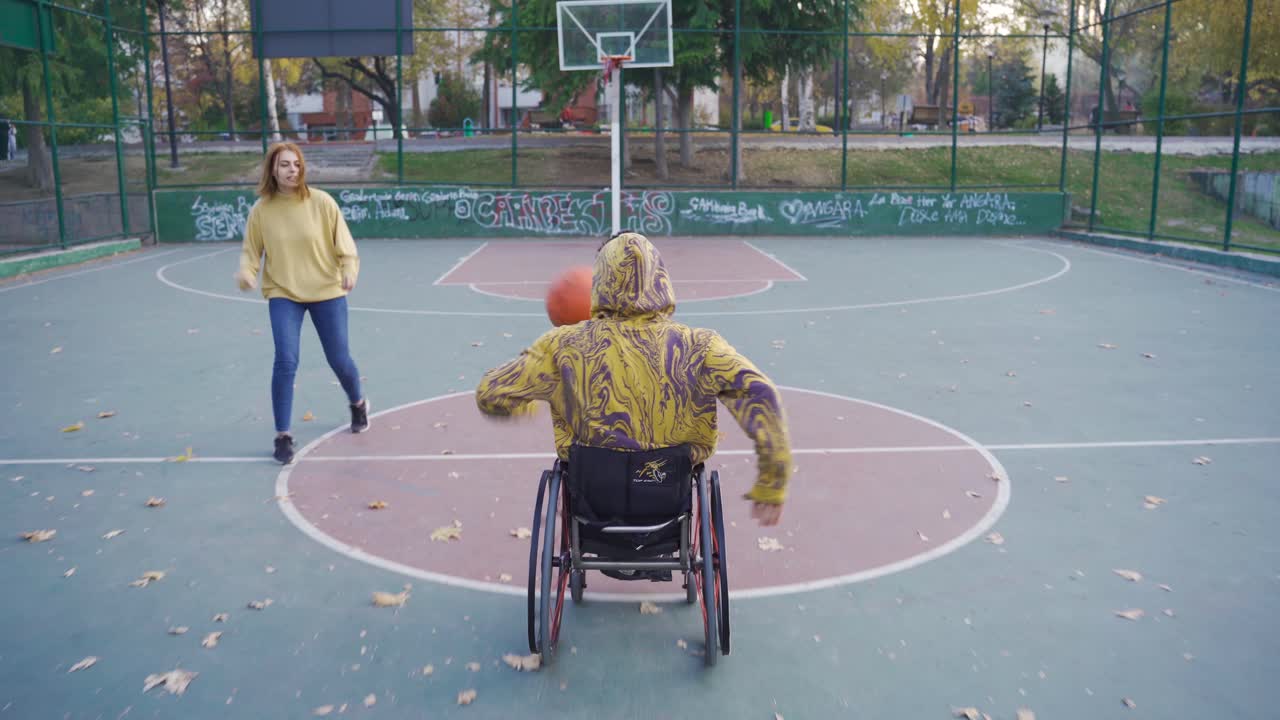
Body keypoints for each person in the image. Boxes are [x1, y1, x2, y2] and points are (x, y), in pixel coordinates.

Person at [475, 232, 792, 527]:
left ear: (600, 281)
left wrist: (530, 406)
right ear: (661, 278)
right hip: (668, 492)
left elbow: (491, 393)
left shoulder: (561, 346)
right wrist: (771, 482)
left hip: (593, 493)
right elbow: (760, 393)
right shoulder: (699, 347)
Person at [234, 142, 369, 465]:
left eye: (296, 164)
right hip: (284, 293)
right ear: (272, 170)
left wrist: (349, 271)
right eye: (284, 165)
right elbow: (251, 253)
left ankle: (358, 402)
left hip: (327, 291)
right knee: (285, 360)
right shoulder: (261, 211)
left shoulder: (321, 202)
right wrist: (246, 272)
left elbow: (346, 247)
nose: (291, 170)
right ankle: (283, 435)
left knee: (339, 359)